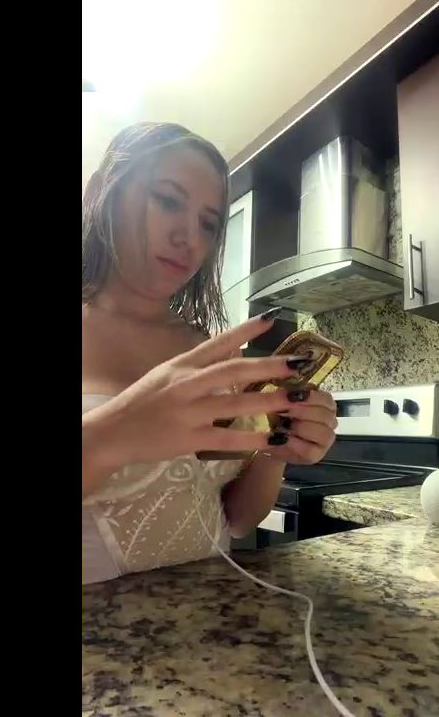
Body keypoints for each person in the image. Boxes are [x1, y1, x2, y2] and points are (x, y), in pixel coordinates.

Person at [82, 123, 338, 584]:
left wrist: (277, 448)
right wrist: (113, 431)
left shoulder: (210, 350)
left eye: (208, 223)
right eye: (168, 200)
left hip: (208, 616)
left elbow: (235, 519)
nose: (189, 237)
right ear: (102, 191)